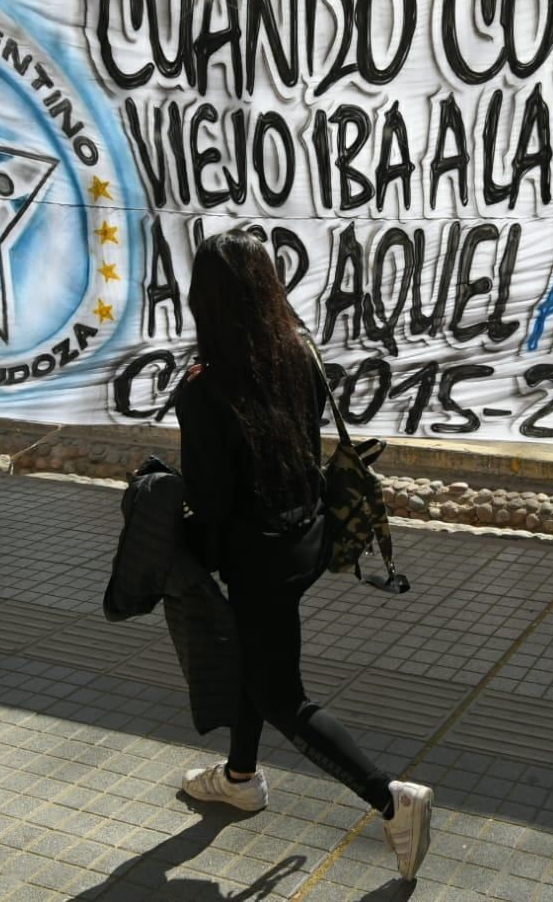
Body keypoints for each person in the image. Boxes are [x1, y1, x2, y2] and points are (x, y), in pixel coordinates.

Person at [175, 230, 433, 882]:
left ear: (206, 300)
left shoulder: (205, 389)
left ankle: (390, 799)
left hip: (253, 556)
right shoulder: (298, 353)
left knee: (280, 695)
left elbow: (208, 500)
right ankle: (238, 778)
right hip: (303, 541)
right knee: (251, 657)